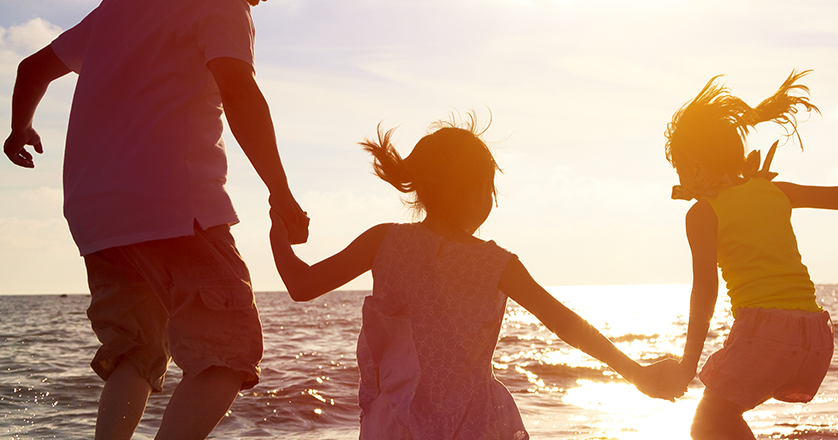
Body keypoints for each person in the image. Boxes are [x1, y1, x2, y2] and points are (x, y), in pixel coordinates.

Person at [1, 0, 306, 440]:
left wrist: (19, 129)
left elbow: (33, 68)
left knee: (136, 352)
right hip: (174, 208)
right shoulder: (221, 2)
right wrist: (281, 193)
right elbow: (237, 91)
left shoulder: (119, 7)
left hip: (98, 217)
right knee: (229, 350)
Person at [268, 118, 686, 439]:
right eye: (487, 187)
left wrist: (278, 234)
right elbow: (563, 323)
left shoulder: (384, 241)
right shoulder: (496, 263)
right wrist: (635, 372)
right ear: (469, 190)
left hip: (397, 426)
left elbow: (302, 285)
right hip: (474, 423)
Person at [659, 71, 838, 439]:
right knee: (721, 418)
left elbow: (705, 290)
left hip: (766, 335)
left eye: (680, 167)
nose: (680, 178)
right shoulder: (773, 190)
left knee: (708, 423)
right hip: (814, 335)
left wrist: (688, 364)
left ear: (697, 163)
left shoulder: (702, 214)